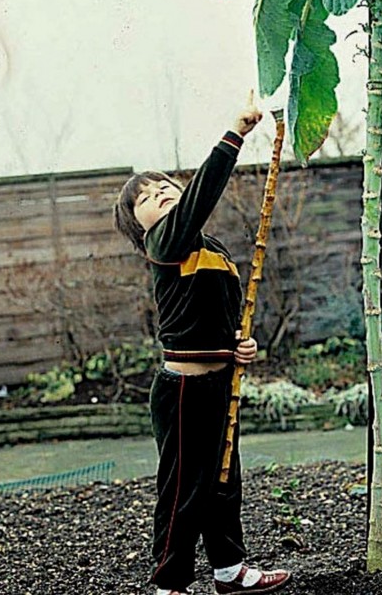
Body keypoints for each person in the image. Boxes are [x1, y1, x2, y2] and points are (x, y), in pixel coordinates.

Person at [113, 103, 291, 595]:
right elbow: (199, 198)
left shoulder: (212, 251)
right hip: (185, 391)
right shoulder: (164, 244)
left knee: (223, 481)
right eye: (147, 198)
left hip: (217, 384)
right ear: (139, 224)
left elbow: (224, 317)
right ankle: (170, 584)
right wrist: (234, 135)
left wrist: (240, 345)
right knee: (181, 493)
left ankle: (229, 570)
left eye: (167, 188)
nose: (163, 196)